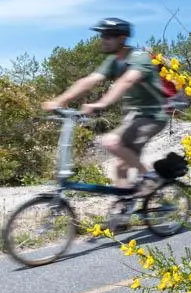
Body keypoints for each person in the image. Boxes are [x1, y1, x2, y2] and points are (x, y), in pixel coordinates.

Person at [42, 17, 168, 194]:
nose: (103, 39)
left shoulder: (139, 57)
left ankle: (151, 177)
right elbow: (89, 80)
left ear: (122, 38)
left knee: (110, 142)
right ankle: (122, 211)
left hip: (153, 115)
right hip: (135, 116)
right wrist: (61, 100)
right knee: (120, 167)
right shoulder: (113, 61)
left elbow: (127, 80)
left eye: (108, 35)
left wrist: (100, 104)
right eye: (102, 35)